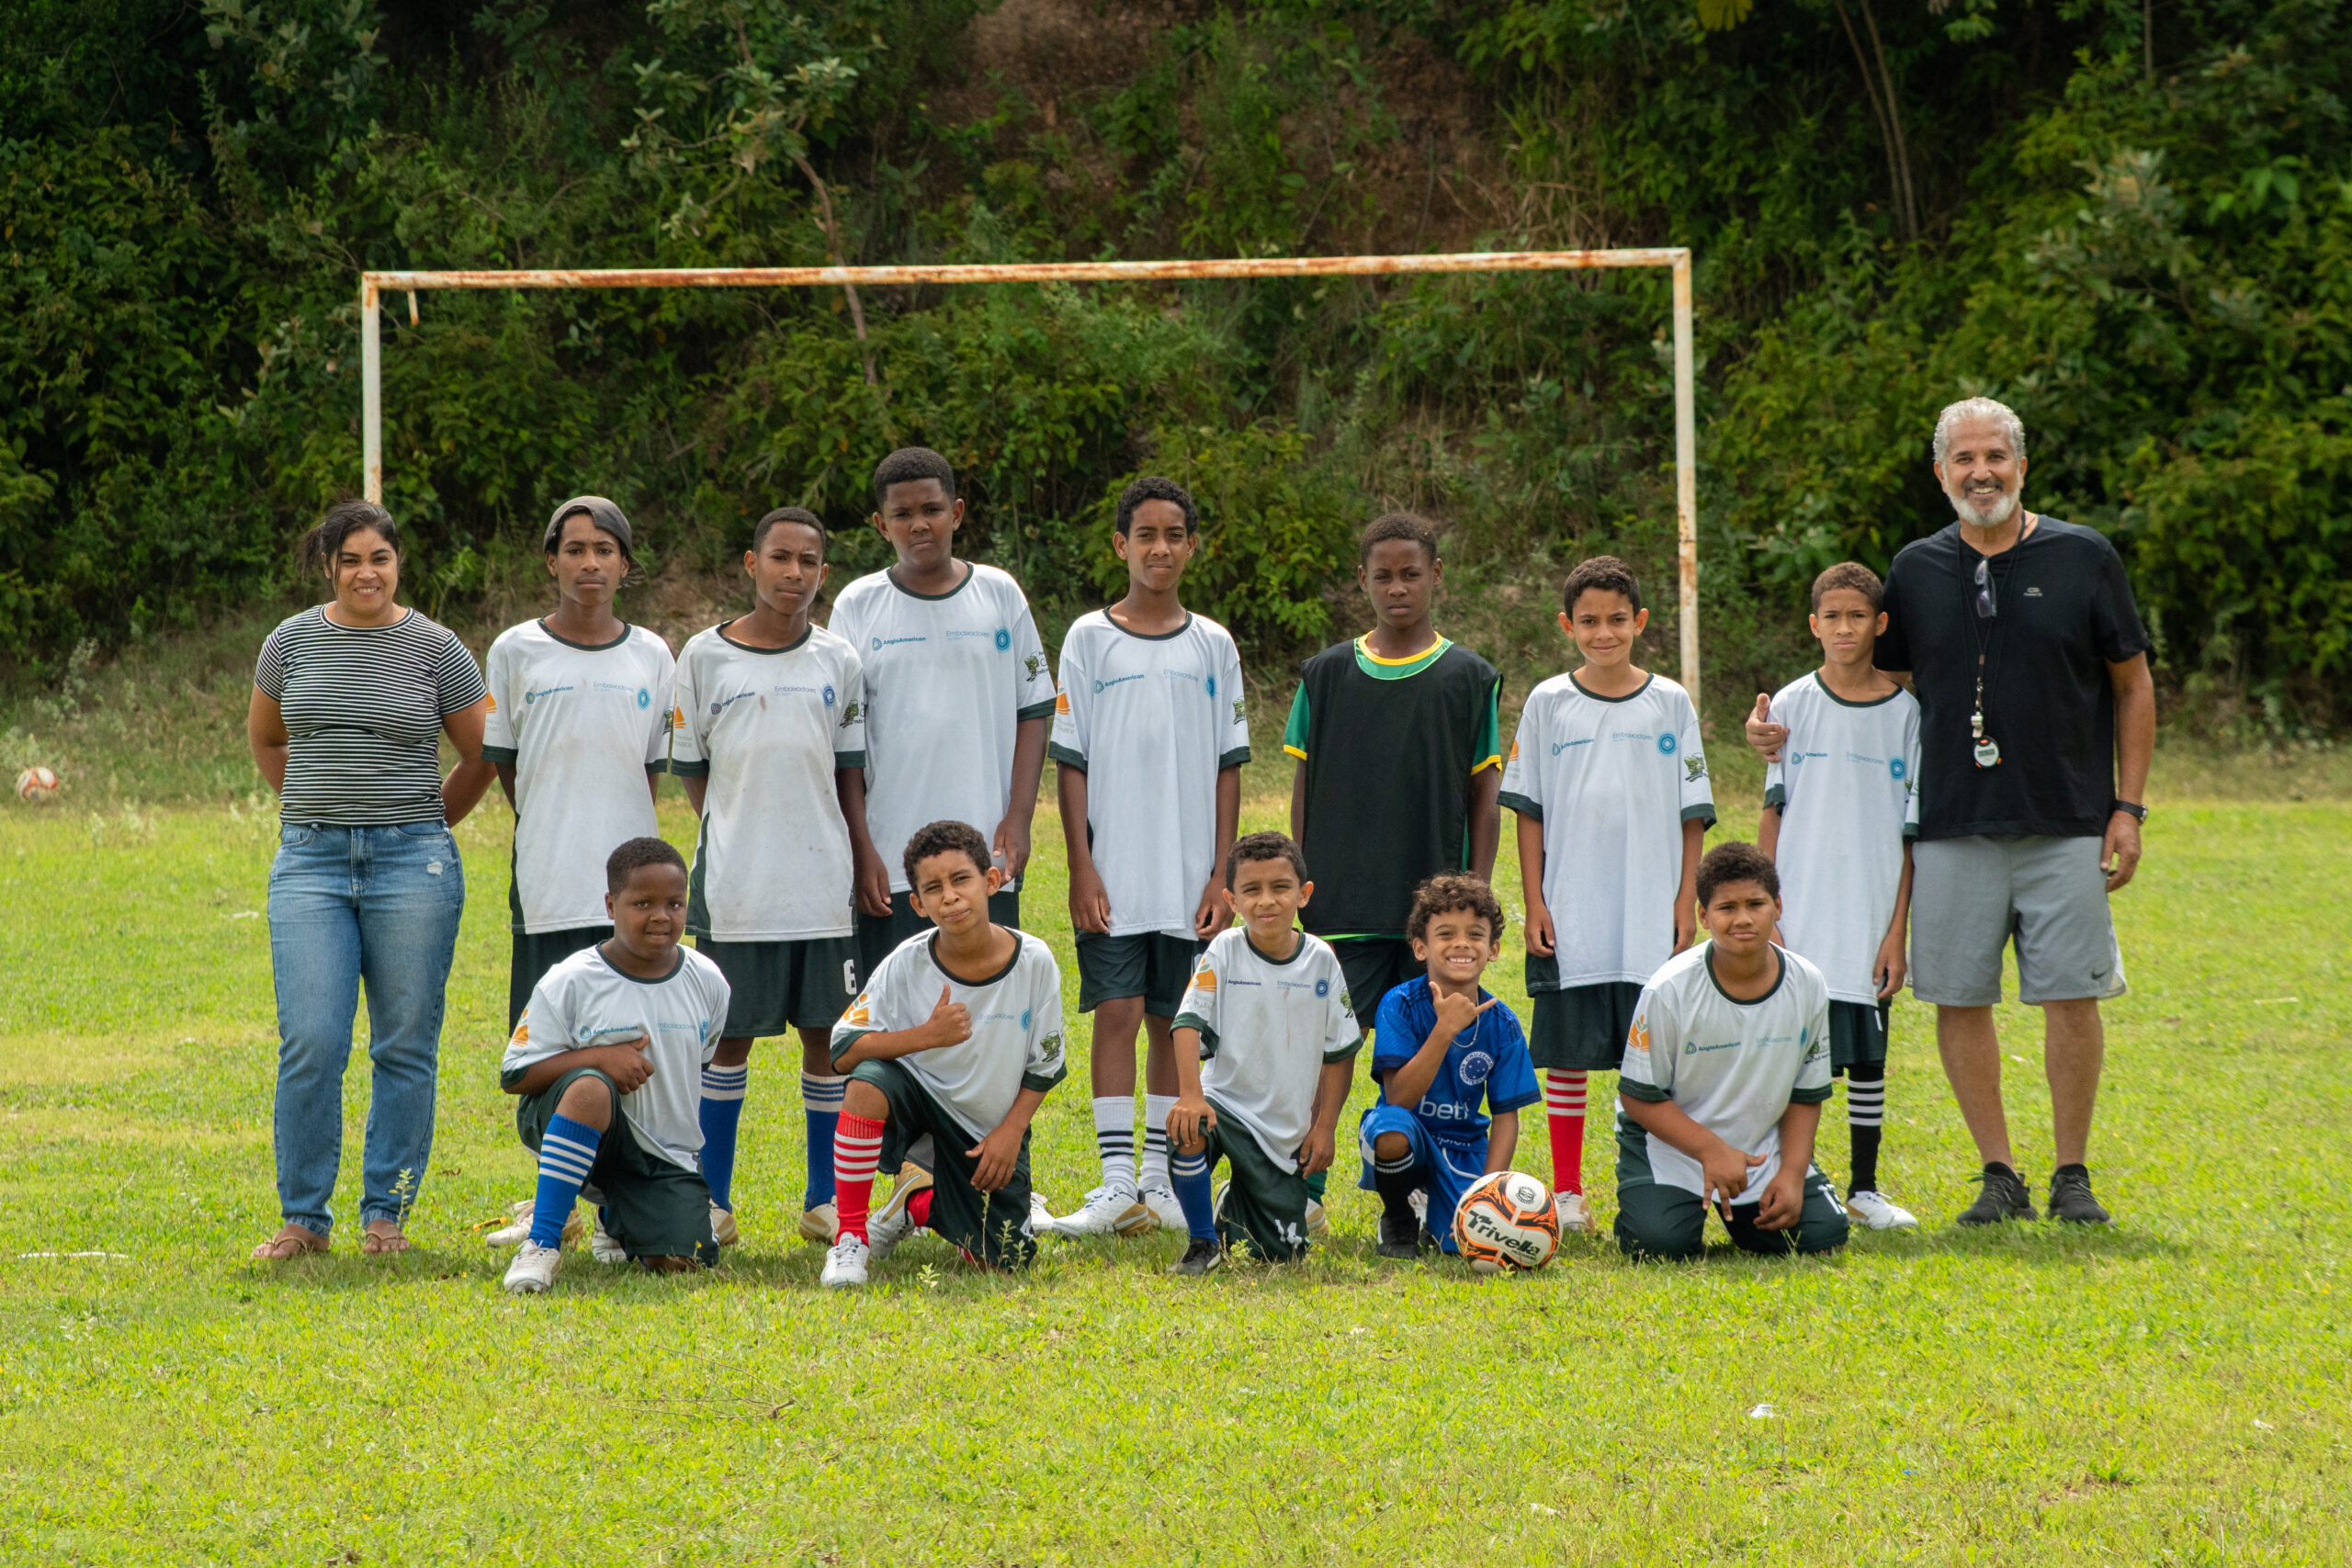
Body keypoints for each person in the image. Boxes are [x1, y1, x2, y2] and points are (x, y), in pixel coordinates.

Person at [1745, 398, 2154, 1225]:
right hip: (1952, 825)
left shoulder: (2084, 556)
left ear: (2022, 465)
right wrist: (1781, 723)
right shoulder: (1917, 567)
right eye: (1963, 459)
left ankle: (2072, 1172)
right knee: (1962, 999)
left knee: (2070, 998)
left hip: (2067, 819)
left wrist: (2129, 806)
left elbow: (2132, 680)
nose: (1981, 473)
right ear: (1940, 473)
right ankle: (1998, 1171)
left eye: (1996, 456)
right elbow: (1871, 676)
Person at [244, 501, 492, 1260]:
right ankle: (303, 1219)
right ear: (329, 566)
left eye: (378, 558)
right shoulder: (290, 642)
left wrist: (421, 823)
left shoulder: (437, 647)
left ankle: (386, 1215)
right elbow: (267, 737)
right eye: (350, 559)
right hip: (311, 864)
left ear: (398, 563)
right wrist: (320, 805)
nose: (366, 572)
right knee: (313, 1038)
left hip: (411, 863)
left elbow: (481, 754)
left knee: (405, 1043)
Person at [1041, 476, 1249, 1239]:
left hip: (1191, 872)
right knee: (1118, 1012)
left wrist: (1221, 870)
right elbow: (1071, 761)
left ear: (1192, 546)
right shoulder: (1089, 638)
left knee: (1173, 1019)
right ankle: (1115, 1181)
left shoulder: (1213, 643)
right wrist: (1081, 866)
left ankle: (1162, 1181)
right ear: (1121, 545)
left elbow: (1231, 763)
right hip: (1116, 871)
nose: (1159, 548)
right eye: (1145, 535)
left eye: (1174, 535)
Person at [1282, 512, 1501, 1223]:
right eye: (1384, 575)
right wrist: (1302, 887)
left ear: (1436, 575)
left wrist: (1476, 896)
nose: (1398, 587)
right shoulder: (1324, 675)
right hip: (1341, 903)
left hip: (1434, 915)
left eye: (1412, 573)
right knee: (1327, 1051)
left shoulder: (1471, 677)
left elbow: (1485, 798)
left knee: (1433, 1057)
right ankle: (1304, 1191)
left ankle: (1412, 1193)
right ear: (1362, 581)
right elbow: (1301, 794)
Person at [667, 507, 877, 1249]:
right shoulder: (702, 656)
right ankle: (713, 1199)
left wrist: (860, 856)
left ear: (825, 571)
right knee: (728, 1044)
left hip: (823, 892)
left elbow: (848, 774)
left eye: (810, 560)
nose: (795, 573)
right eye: (781, 558)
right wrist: (740, 826)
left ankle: (823, 1199)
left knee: (827, 1043)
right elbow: (696, 774)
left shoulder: (839, 660)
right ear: (750, 564)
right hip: (737, 893)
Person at [1498, 556, 1713, 1235]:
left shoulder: (1671, 702)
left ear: (1640, 622)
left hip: (1650, 907)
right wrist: (1535, 900)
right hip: (1575, 907)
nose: (1603, 632)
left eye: (1617, 619)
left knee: (1649, 1052)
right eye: (1588, 620)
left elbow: (1691, 812)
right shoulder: (1547, 701)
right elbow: (1527, 810)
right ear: (1568, 625)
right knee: (1569, 1053)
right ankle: (1566, 1191)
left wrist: (1686, 901)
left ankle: (1647, 1179)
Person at [828, 447, 1056, 981]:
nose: (918, 525)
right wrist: (863, 848)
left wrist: (1019, 816)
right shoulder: (857, 605)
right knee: (897, 1005)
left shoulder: (1000, 593)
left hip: (985, 849)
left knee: (983, 993)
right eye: (902, 515)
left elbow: (1033, 712)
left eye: (930, 510)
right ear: (882, 525)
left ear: (955, 512)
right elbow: (845, 746)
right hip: (892, 855)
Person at [820, 820, 1068, 1289]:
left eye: (961, 880)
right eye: (933, 888)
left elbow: (1045, 1066)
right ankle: (850, 1237)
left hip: (984, 1131)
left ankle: (912, 1204)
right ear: (917, 903)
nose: (949, 897)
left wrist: (1010, 1133)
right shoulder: (906, 963)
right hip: (914, 1109)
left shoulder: (1035, 961)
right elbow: (843, 1050)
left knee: (1003, 1261)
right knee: (868, 1080)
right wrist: (927, 1036)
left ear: (991, 882)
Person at [1757, 562, 1921, 1231]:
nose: (1845, 628)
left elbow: (1912, 832)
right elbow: (1773, 807)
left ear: (1880, 624)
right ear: (1814, 625)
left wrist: (1895, 931)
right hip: (1800, 910)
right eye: (1833, 616)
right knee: (1789, 1049)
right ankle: (1779, 1172)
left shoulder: (1907, 714)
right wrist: (1764, 907)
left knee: (1868, 1055)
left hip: (1870, 911)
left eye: (1859, 616)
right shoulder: (1790, 705)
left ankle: (1865, 1186)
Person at [497, 838, 731, 1294]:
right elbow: (514, 1075)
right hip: (578, 1126)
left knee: (686, 1260)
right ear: (610, 904)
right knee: (591, 1087)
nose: (661, 916)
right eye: (642, 903)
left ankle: (617, 1216)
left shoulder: (709, 981)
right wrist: (599, 1058)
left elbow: (699, 1066)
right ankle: (542, 1243)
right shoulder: (571, 980)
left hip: (661, 1154)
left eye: (675, 903)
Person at [480, 496, 674, 1032]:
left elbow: (648, 771)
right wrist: (551, 820)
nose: (590, 562)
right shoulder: (514, 650)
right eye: (575, 549)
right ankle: (547, 1122)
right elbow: (508, 766)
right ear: (552, 562)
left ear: (624, 565)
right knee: (545, 1035)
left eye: (604, 550)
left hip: (630, 885)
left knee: (630, 1032)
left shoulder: (654, 655)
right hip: (550, 882)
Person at [1614, 842, 1850, 1260]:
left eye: (1756, 904)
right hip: (1673, 1145)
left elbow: (1805, 1092)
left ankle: (1748, 1213)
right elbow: (1638, 1095)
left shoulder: (1808, 983)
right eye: (1726, 908)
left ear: (1777, 906)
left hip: (1760, 1146)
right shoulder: (1668, 990)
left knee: (1819, 1236)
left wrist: (1793, 1174)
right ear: (1703, 916)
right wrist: (1711, 1150)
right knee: (1659, 1245)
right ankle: (1671, 1202)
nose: (1743, 918)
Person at [1163, 831, 1363, 1275]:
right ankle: (1202, 1242)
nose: (1266, 901)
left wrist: (1325, 1126)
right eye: (1251, 890)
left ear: (1304, 894)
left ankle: (1235, 1204)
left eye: (1280, 888)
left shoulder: (1321, 960)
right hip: (1225, 1103)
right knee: (1187, 1126)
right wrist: (1191, 1095)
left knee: (1278, 1255)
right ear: (1232, 899)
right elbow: (1186, 1024)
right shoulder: (1225, 950)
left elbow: (1341, 1051)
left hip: (1283, 1132)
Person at [1356, 874, 1539, 1261]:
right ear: (1421, 948)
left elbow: (1506, 1118)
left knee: (1457, 1244)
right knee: (1389, 1130)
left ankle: (1442, 1206)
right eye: (1445, 934)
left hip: (1462, 1146)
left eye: (1475, 934)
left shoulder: (1503, 1024)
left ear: (1493, 949)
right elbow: (1400, 1097)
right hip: (1408, 1130)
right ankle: (1399, 1215)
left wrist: (1489, 1195)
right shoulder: (1399, 1003)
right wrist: (1444, 1030)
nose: (1461, 944)